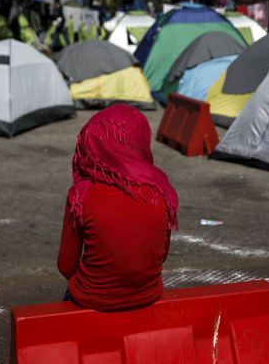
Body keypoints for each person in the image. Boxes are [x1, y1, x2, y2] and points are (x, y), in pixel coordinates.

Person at [57, 104, 179, 311]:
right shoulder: (160, 190)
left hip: (91, 299)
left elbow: (66, 266)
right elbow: (161, 256)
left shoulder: (81, 194)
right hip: (147, 296)